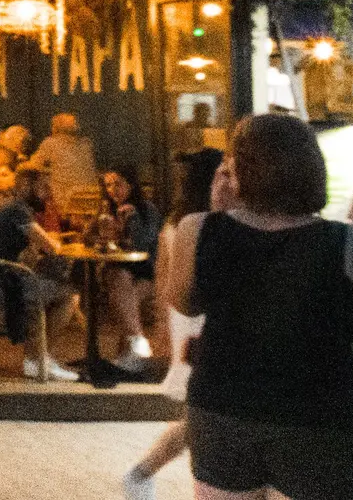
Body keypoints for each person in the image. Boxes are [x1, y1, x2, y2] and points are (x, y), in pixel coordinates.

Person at [167, 113, 353, 500]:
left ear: (238, 170)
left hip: (222, 412)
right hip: (320, 423)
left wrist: (220, 217)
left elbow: (186, 305)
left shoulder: (197, 230)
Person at [122, 146, 225, 500]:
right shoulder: (209, 225)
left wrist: (163, 328)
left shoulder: (177, 222)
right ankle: (143, 473)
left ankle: (142, 474)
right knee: (205, 414)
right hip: (205, 320)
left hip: (185, 319)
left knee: (202, 414)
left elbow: (163, 280)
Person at [0, 168, 79, 381]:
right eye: (43, 187)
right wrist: (54, 241)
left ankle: (34, 360)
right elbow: (51, 247)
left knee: (48, 284)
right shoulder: (18, 211)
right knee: (69, 296)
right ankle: (39, 360)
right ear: (28, 188)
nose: (48, 193)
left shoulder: (7, 206)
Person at [99, 167, 160, 372]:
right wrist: (99, 229)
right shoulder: (106, 210)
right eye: (108, 184)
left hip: (146, 271)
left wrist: (132, 219)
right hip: (118, 269)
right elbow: (93, 241)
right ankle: (134, 351)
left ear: (130, 185)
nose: (112, 189)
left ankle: (130, 353)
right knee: (120, 277)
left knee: (127, 299)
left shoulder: (146, 209)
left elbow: (143, 245)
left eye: (118, 183)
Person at [22, 112, 100, 198]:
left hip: (65, 198)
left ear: (56, 127)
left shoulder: (50, 143)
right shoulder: (87, 143)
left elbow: (35, 165)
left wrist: (18, 166)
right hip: (92, 197)